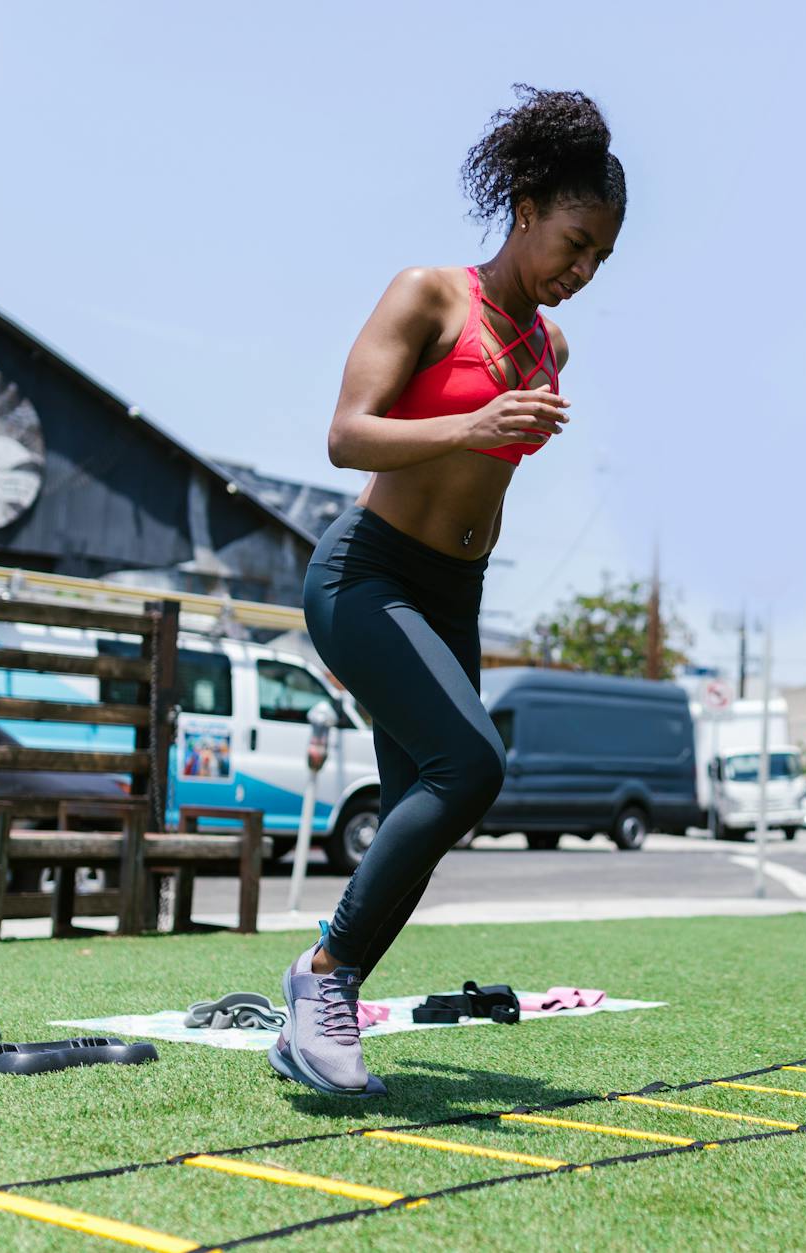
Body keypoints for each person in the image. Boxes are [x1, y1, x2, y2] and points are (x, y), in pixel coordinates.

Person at [271, 86, 626, 1096]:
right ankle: (325, 978)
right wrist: (467, 426)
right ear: (523, 206)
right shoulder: (430, 295)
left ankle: (316, 1012)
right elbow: (347, 434)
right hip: (368, 574)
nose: (581, 270)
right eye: (572, 241)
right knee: (471, 763)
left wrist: (489, 435)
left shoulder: (549, 346)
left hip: (453, 593)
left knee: (422, 806)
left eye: (600, 255)